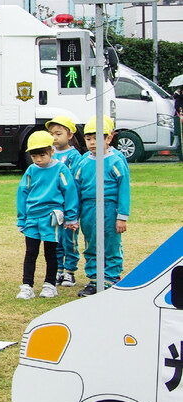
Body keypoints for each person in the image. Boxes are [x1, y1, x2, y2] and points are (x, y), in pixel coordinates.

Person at [15, 131, 80, 301]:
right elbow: (22, 194)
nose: (38, 160)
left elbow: (70, 192)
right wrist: (21, 219)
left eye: (42, 155)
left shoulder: (60, 169)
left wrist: (71, 217)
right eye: (34, 156)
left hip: (51, 218)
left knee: (51, 252)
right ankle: (27, 285)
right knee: (30, 252)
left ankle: (50, 284)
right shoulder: (30, 170)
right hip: (32, 218)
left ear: (51, 151)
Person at [73, 115, 131, 297]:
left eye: (97, 138)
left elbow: (124, 190)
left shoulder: (116, 161)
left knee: (111, 243)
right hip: (89, 210)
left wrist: (122, 216)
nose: (92, 143)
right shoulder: (83, 161)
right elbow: (75, 190)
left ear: (109, 138)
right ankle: (94, 278)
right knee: (91, 243)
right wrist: (73, 215)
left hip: (109, 208)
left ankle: (111, 277)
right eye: (88, 139)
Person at [45, 115, 84, 287]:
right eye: (51, 133)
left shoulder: (74, 156)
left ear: (69, 135)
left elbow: (75, 184)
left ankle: (70, 271)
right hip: (54, 207)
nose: (54, 137)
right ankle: (58, 270)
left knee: (70, 239)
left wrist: (73, 210)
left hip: (69, 206)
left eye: (58, 133)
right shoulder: (48, 154)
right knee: (56, 239)